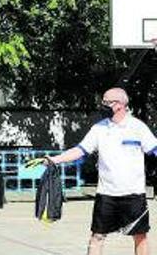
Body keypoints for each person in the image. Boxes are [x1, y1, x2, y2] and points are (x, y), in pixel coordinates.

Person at [35, 87, 157, 255]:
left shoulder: (138, 127)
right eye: (103, 101)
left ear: (120, 105)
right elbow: (80, 150)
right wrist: (54, 159)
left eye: (107, 102)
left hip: (133, 194)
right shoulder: (99, 129)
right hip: (106, 194)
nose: (103, 105)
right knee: (97, 237)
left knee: (140, 236)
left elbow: (155, 149)